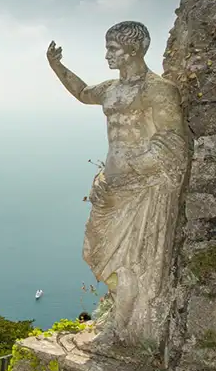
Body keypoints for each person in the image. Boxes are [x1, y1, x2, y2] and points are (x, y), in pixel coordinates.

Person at [46, 21, 190, 351]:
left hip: (143, 190)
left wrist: (128, 174)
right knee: (95, 251)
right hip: (111, 187)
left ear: (134, 50)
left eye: (113, 48)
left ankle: (122, 332)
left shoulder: (158, 91)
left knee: (131, 261)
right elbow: (83, 94)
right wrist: (57, 66)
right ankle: (117, 319)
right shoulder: (112, 89)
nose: (107, 54)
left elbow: (172, 144)